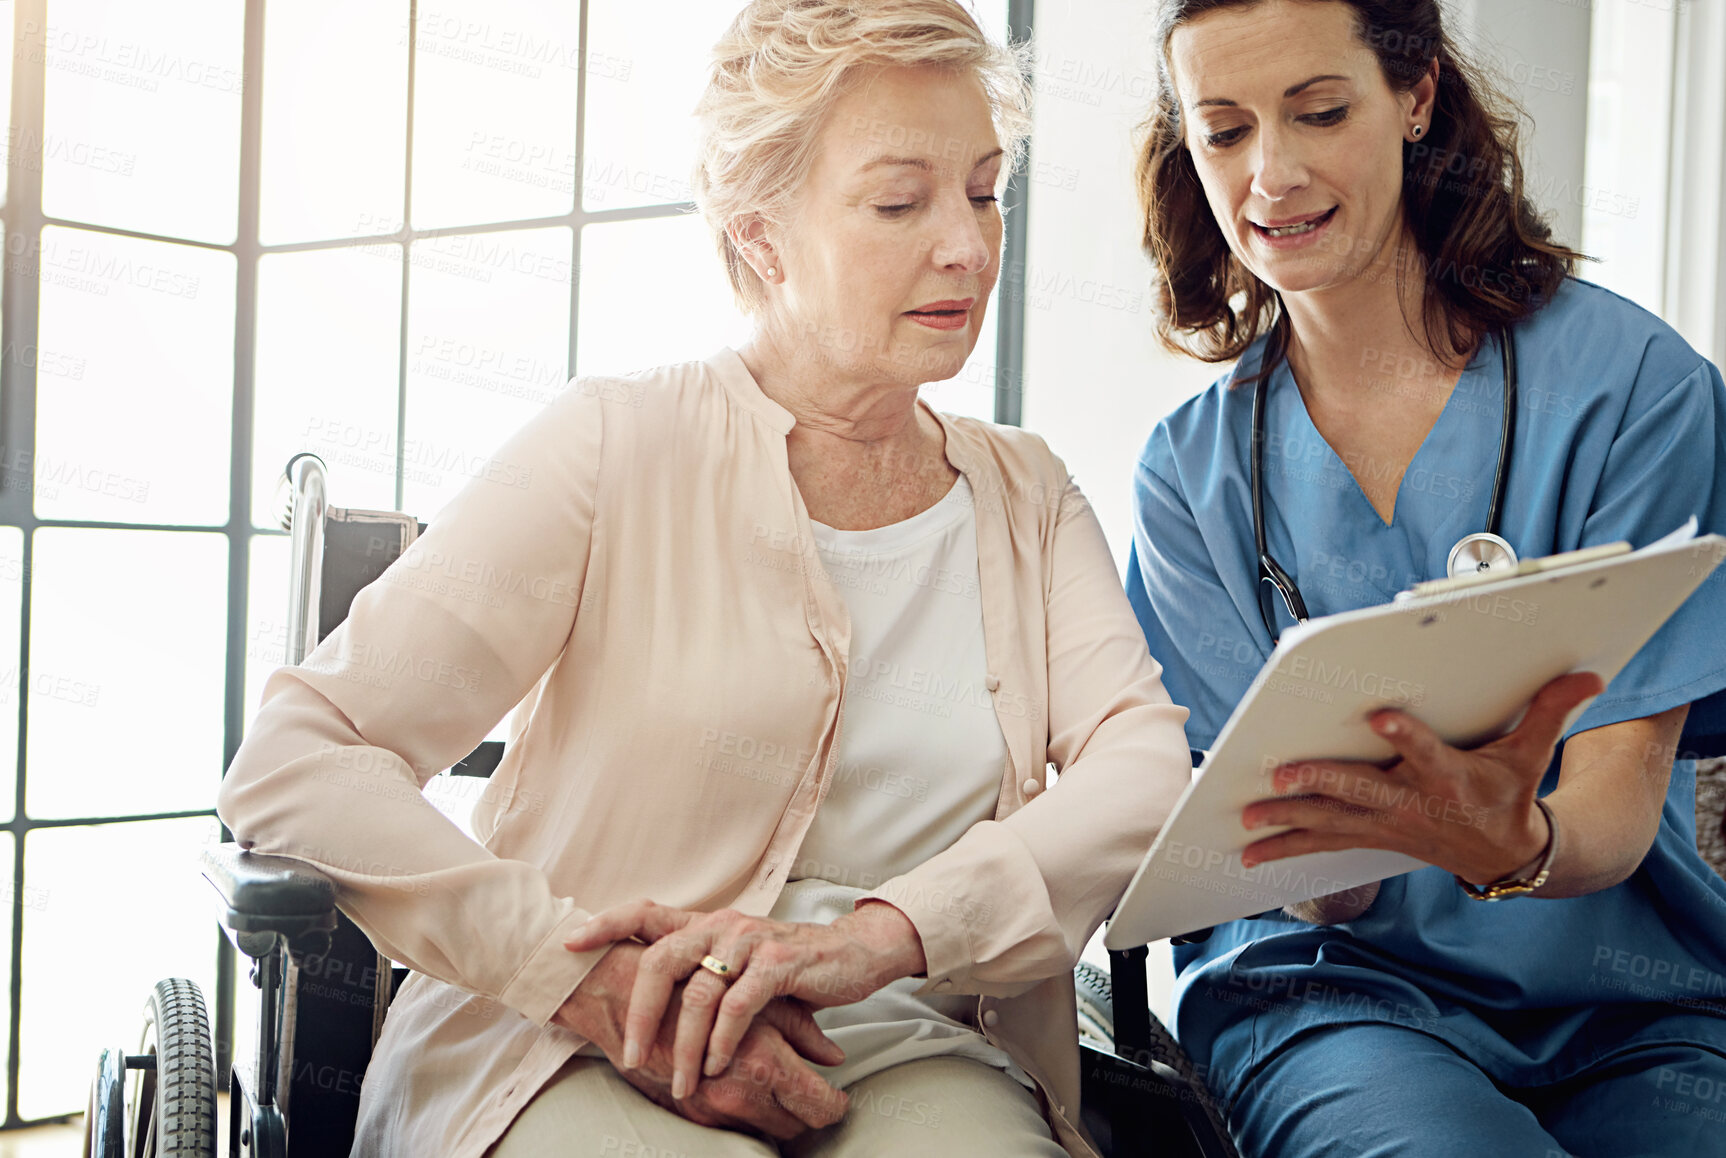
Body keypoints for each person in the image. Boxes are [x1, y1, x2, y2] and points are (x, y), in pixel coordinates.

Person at [219, 3, 1194, 1156]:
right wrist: (593, 984)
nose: (968, 247)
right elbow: (298, 761)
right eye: (899, 201)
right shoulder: (612, 445)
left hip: (902, 1044)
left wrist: (877, 938)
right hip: (559, 1040)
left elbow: (1140, 772)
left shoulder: (1029, 495)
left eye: (982, 191)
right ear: (762, 233)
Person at [1124, 1, 1726, 1155]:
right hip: (1330, 990)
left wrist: (1514, 845)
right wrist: (1327, 864)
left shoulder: (1633, 390)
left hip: (1632, 999)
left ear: (1416, 99)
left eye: (1319, 111)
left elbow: (1615, 803)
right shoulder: (1189, 475)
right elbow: (1252, 847)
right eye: (1224, 131)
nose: (1272, 174)